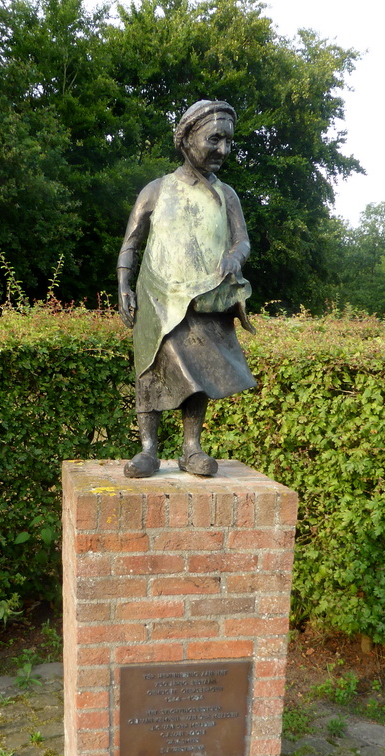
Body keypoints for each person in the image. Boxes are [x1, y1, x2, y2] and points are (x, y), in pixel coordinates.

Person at [117, 99, 257, 478]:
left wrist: (234, 257)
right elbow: (131, 242)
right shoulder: (157, 190)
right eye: (214, 139)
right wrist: (123, 285)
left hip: (205, 295)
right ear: (187, 137)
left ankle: (191, 448)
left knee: (199, 371)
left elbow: (242, 241)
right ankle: (148, 450)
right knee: (150, 366)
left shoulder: (227, 195)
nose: (223, 151)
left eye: (229, 142)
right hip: (157, 293)